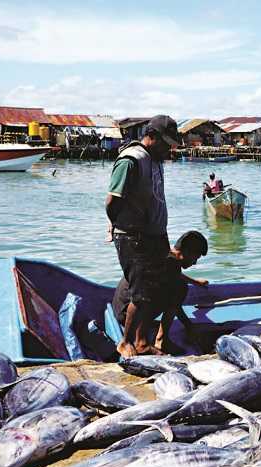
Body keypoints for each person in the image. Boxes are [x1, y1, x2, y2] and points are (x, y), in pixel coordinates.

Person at [105, 114, 180, 357]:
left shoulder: (154, 159)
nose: (169, 149)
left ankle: (141, 341)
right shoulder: (131, 160)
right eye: (166, 143)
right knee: (141, 291)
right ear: (152, 137)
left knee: (153, 290)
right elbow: (112, 201)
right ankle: (125, 342)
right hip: (134, 236)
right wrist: (119, 225)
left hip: (154, 235)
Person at [112, 231, 209, 355]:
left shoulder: (165, 257)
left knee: (176, 287)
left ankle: (157, 338)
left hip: (119, 307)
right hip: (128, 314)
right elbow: (174, 303)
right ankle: (143, 342)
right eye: (195, 258)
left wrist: (195, 282)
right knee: (179, 290)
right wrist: (188, 325)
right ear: (186, 252)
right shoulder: (168, 265)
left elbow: (175, 275)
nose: (194, 263)